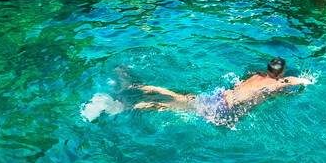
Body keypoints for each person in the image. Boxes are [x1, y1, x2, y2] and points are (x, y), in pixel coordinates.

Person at [128, 58, 314, 126]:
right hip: (225, 108)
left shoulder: (257, 75)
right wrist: (308, 80)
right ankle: (143, 105)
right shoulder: (275, 84)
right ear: (280, 73)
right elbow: (291, 82)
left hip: (221, 95)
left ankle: (146, 88)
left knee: (183, 98)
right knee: (180, 109)